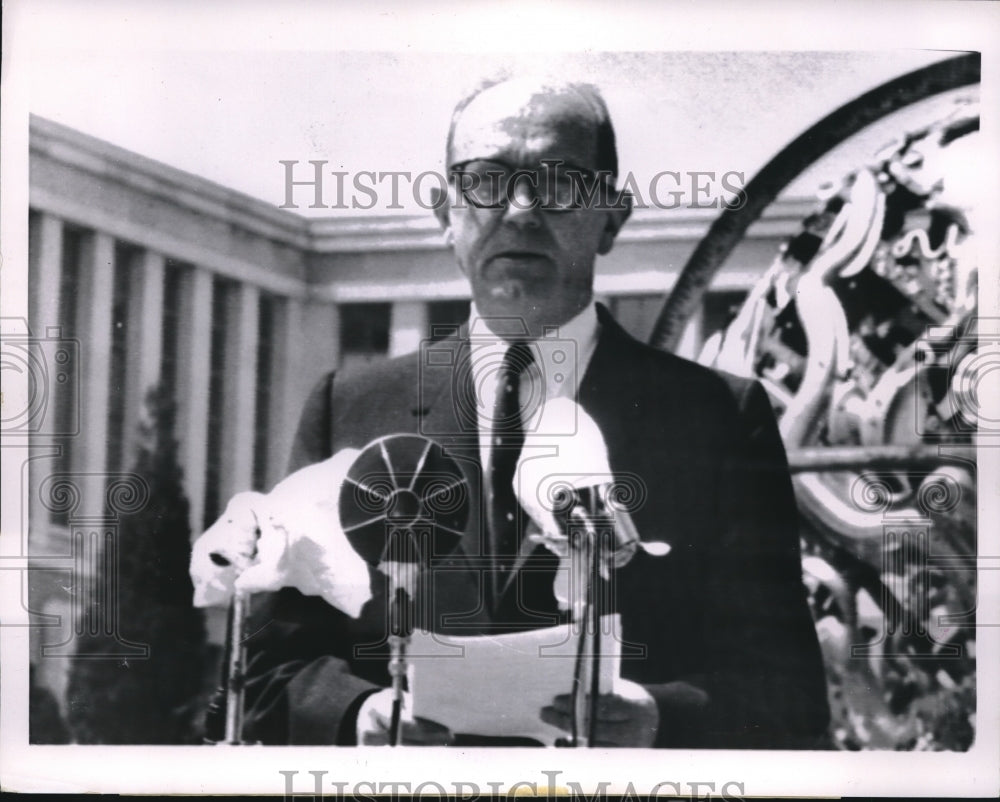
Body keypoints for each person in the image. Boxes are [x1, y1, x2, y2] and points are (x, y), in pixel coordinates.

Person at [237, 77, 830, 748]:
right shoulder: (349, 409)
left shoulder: (719, 419)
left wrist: (660, 718)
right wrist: (358, 715)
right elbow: (268, 668)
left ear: (612, 217)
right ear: (444, 214)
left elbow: (788, 691)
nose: (520, 209)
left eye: (559, 181)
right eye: (487, 179)